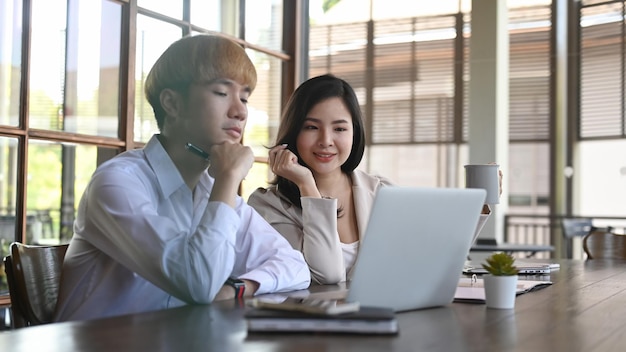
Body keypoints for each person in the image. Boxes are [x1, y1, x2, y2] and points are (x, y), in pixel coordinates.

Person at [53, 34, 310, 322]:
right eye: (222, 93)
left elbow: (295, 266)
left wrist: (238, 288)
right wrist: (228, 176)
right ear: (172, 104)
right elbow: (199, 284)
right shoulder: (117, 183)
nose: (240, 112)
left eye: (244, 98)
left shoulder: (208, 190)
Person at [248, 74, 496, 285]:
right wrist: (306, 185)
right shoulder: (269, 207)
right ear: (293, 131)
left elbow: (436, 257)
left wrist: (481, 201)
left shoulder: (380, 191)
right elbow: (327, 274)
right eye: (311, 127)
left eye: (340, 129)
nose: (326, 140)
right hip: (311, 333)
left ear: (355, 133)